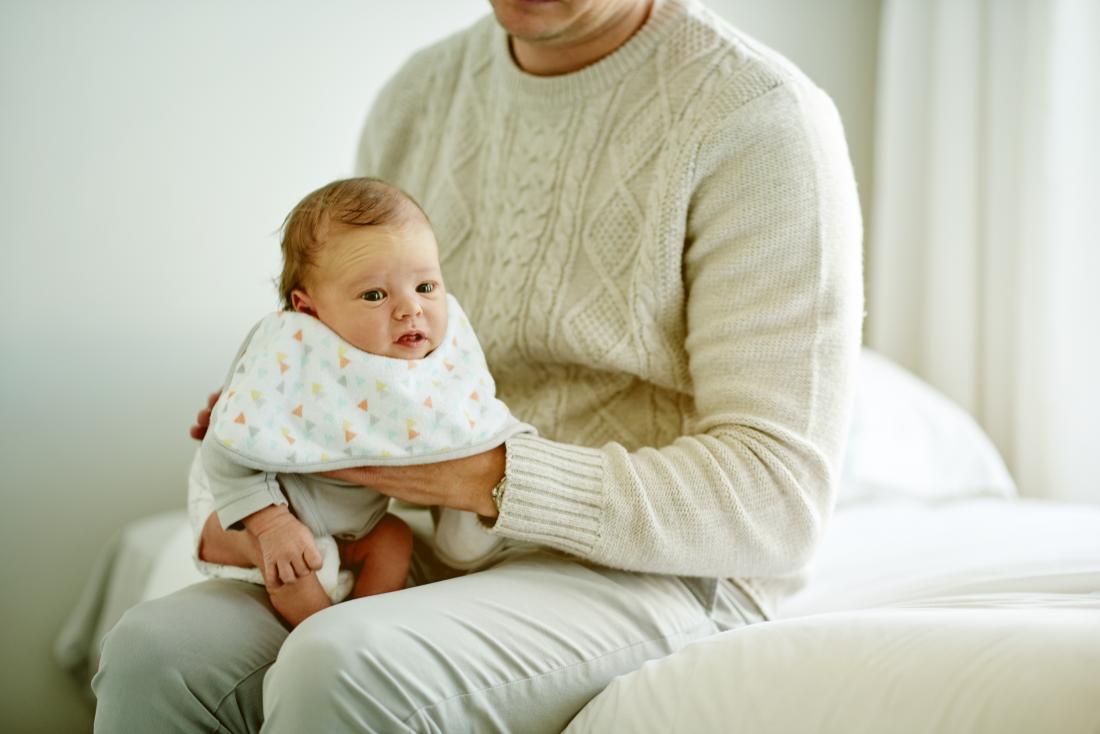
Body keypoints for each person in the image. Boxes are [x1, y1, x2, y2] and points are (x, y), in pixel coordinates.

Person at [92, 0, 863, 730]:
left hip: (652, 571)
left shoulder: (758, 119)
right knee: (154, 652)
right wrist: (299, 407)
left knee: (341, 664)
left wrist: (475, 473)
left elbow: (779, 502)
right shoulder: (423, 96)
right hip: (428, 542)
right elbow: (369, 334)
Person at [193, 177, 527, 627]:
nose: (410, 309)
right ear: (309, 312)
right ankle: (320, 635)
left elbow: (456, 437)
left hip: (352, 525)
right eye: (374, 295)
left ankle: (365, 627)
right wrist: (271, 526)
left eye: (426, 287)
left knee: (394, 540)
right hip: (252, 500)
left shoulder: (427, 365)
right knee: (291, 561)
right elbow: (226, 448)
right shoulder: (294, 351)